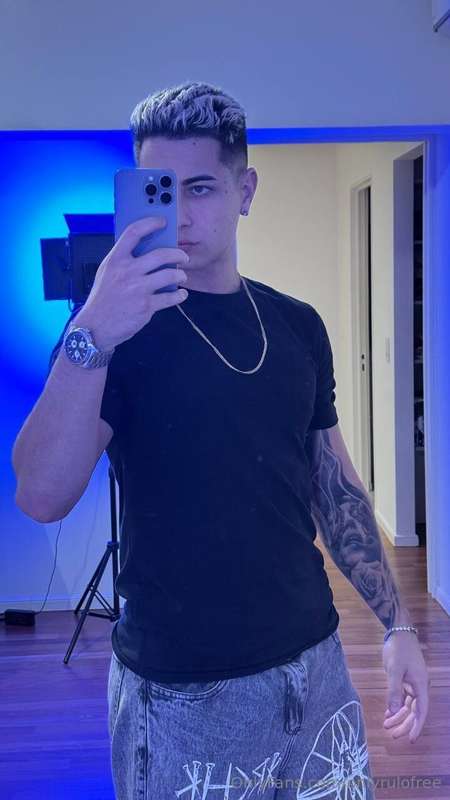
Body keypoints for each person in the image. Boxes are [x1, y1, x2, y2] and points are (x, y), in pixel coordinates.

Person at [14, 82, 428, 800]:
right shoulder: (109, 333)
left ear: (246, 190)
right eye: (160, 189)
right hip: (181, 696)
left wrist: (397, 627)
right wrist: (93, 330)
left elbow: (336, 490)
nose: (179, 213)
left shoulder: (296, 325)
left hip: (316, 666)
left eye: (201, 188)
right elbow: (40, 494)